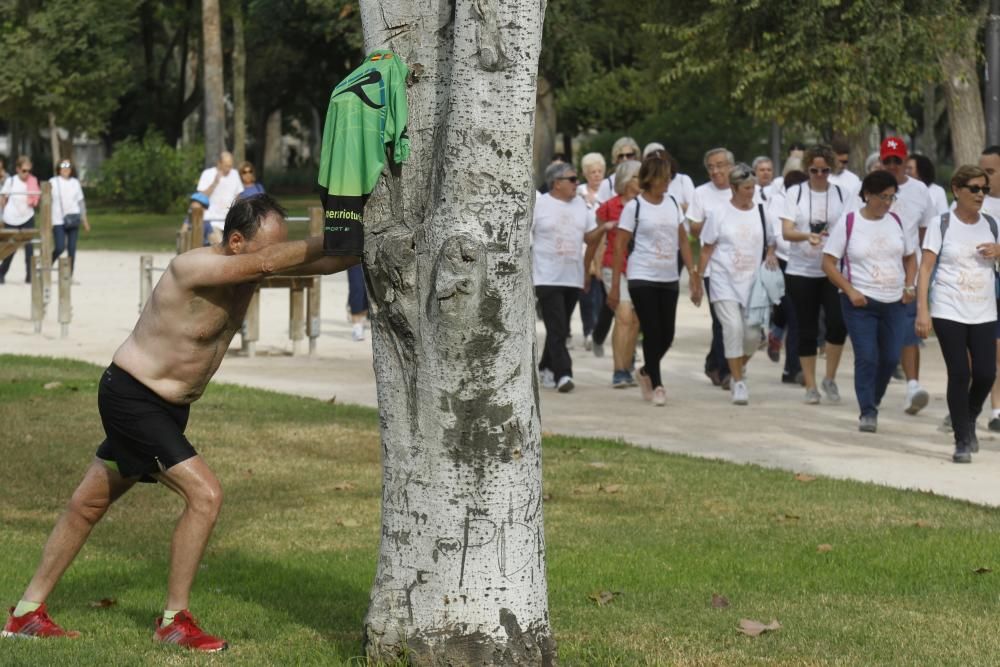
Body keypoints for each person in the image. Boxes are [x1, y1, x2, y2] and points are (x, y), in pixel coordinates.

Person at [2, 195, 358, 648]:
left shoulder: (249, 267)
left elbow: (327, 262)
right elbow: (271, 262)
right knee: (205, 496)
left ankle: (27, 613)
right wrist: (335, 235)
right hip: (133, 399)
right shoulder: (190, 268)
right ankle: (174, 622)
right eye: (268, 246)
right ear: (234, 241)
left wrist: (364, 235)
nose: (275, 254)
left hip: (165, 409)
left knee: (87, 505)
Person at [916, 165, 999, 463]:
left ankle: (968, 417)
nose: (980, 195)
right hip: (948, 308)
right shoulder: (942, 224)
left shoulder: (991, 224)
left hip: (984, 309)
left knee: (987, 373)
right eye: (974, 189)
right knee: (960, 373)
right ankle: (962, 439)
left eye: (984, 189)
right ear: (957, 189)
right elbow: (925, 269)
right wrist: (922, 310)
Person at [822, 170, 917, 432]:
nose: (886, 203)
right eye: (881, 197)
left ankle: (873, 397)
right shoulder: (849, 222)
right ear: (866, 195)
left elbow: (910, 257)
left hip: (895, 300)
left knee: (889, 357)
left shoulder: (896, 220)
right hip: (860, 302)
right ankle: (867, 411)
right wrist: (850, 290)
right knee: (867, 356)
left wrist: (910, 285)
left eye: (891, 197)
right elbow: (828, 263)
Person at [608, 152, 698, 406]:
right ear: (651, 178)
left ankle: (646, 370)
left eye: (669, 178)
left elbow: (683, 240)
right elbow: (619, 247)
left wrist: (693, 274)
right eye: (663, 178)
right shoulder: (634, 207)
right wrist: (615, 286)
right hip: (641, 275)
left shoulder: (672, 204)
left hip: (668, 276)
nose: (668, 182)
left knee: (667, 334)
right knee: (652, 330)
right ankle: (658, 385)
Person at [696, 163, 779, 405]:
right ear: (733, 188)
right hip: (723, 281)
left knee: (753, 337)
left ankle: (736, 369)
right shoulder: (719, 213)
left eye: (752, 187)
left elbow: (771, 241)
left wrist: (771, 253)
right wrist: (698, 280)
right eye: (745, 188)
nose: (750, 191)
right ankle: (739, 382)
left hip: (753, 284)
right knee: (732, 328)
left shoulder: (763, 213)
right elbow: (706, 249)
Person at [780, 144, 850, 404]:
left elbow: (850, 226)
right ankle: (810, 384)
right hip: (801, 269)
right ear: (807, 168)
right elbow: (787, 231)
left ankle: (829, 377)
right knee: (806, 327)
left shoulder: (843, 194)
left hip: (832, 269)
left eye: (825, 170)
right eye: (814, 170)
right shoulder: (795, 193)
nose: (820, 175)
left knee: (837, 324)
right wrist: (806, 235)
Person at [533, 162, 599, 393]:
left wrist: (606, 227)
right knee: (558, 326)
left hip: (572, 275)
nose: (576, 184)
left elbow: (591, 237)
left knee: (557, 327)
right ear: (556, 183)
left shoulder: (581, 205)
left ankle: (544, 368)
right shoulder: (540, 204)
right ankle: (564, 374)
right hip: (547, 276)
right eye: (572, 179)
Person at [881, 137, 935, 415]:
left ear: (905, 162)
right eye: (887, 161)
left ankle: (913, 385)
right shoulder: (869, 188)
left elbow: (926, 231)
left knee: (908, 331)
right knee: (883, 337)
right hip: (875, 274)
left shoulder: (919, 191)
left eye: (897, 161)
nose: (892, 166)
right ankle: (874, 387)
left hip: (908, 274)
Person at [584, 159, 643, 387]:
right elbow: (594, 240)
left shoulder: (646, 205)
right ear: (628, 180)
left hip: (640, 268)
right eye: (639, 176)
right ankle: (618, 370)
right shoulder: (609, 207)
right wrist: (593, 266)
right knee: (624, 315)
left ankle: (627, 366)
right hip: (614, 266)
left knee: (636, 320)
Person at [687, 147, 741, 389]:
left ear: (731, 166)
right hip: (713, 267)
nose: (716, 171)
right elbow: (693, 228)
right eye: (711, 167)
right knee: (723, 320)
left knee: (739, 319)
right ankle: (726, 370)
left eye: (720, 165)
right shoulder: (701, 193)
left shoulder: (742, 190)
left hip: (741, 266)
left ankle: (713, 362)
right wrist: (717, 222)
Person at [767, 170, 808, 383]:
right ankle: (793, 368)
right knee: (795, 316)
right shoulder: (778, 202)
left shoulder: (808, 200)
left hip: (806, 265)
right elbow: (778, 234)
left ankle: (776, 334)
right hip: (785, 264)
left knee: (796, 316)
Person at [577, 152, 607, 350]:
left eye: (599, 171)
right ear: (586, 174)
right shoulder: (578, 191)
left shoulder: (609, 191)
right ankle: (588, 329)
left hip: (603, 248)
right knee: (586, 293)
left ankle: (599, 330)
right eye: (592, 172)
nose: (596, 175)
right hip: (583, 248)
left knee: (602, 294)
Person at [0, 155, 40, 284]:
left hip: (27, 217)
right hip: (11, 219)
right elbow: (3, 198)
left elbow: (36, 199)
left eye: (29, 170)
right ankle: (1, 273)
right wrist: (4, 214)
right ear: (18, 169)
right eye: (24, 170)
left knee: (29, 249)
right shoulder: (11, 181)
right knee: (10, 249)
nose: (26, 173)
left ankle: (30, 276)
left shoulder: (32, 181)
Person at [50, 159, 90, 277]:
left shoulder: (75, 183)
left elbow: (81, 202)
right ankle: (48, 263)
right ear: (59, 169)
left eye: (68, 167)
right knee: (60, 247)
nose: (66, 169)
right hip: (58, 220)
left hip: (73, 218)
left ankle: (69, 276)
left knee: (72, 249)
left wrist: (85, 220)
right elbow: (47, 201)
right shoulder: (53, 181)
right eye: (63, 167)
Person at [196, 151, 243, 242]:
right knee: (220, 246)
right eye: (226, 166)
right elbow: (200, 197)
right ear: (219, 163)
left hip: (230, 221)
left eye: (230, 166)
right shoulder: (207, 174)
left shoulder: (235, 174)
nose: (229, 169)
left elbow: (238, 196)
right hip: (212, 220)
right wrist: (215, 183)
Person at [597, 137, 641, 202]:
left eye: (629, 155)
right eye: (621, 156)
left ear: (636, 156)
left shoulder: (644, 179)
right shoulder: (607, 184)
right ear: (616, 159)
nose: (625, 159)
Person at [347, 263, 369, 341]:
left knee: (368, 291)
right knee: (357, 288)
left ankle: (361, 323)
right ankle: (357, 327)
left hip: (372, 257)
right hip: (354, 257)